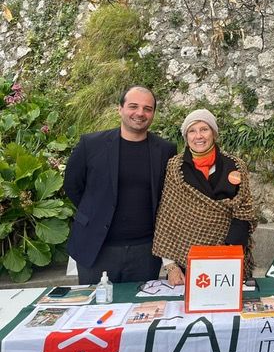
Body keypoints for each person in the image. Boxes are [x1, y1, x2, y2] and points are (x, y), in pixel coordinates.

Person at [64, 86, 177, 284]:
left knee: (140, 310)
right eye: (133, 106)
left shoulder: (166, 150)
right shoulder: (91, 145)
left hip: (145, 252)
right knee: (95, 310)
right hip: (97, 248)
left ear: (153, 114)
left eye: (147, 108)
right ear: (120, 109)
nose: (140, 113)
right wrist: (95, 213)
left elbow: (168, 196)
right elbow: (73, 186)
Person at [152, 109, 256, 285]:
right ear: (186, 137)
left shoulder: (236, 165)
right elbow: (166, 218)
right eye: (192, 131)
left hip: (230, 255)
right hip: (187, 259)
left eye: (204, 129)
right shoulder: (176, 167)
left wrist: (230, 252)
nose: (198, 136)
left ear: (214, 133)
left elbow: (245, 210)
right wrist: (171, 266)